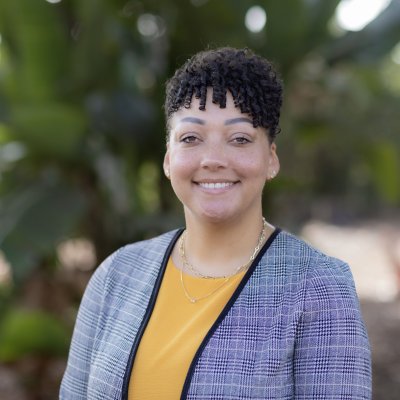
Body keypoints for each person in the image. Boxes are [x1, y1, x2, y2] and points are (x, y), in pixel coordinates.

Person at [60, 47, 371, 399]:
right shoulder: (117, 276)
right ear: (167, 159)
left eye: (239, 139)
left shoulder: (318, 288)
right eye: (191, 138)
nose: (212, 160)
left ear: (271, 159)